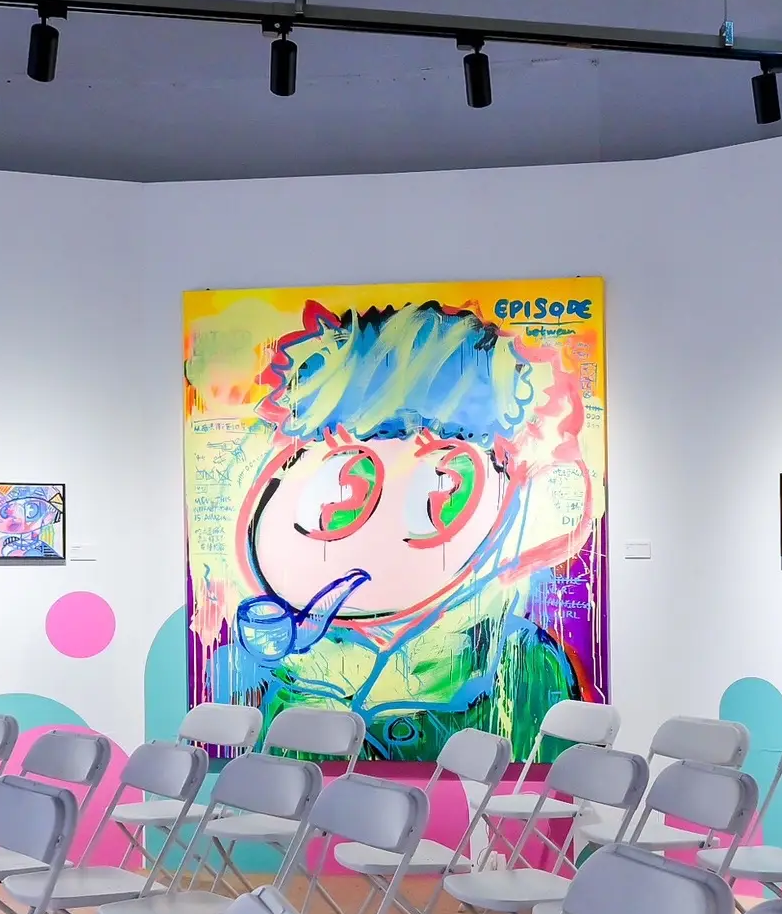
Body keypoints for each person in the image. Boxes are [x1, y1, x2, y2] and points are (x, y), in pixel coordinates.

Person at [219, 300, 593, 761]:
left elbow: (544, 779)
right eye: (339, 492)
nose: (374, 536)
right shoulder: (292, 672)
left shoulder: (519, 661)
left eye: (440, 492)